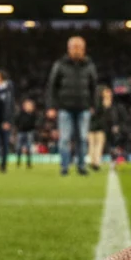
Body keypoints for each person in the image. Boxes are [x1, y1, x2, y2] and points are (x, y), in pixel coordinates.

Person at [46, 36, 98, 176]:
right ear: (69, 48)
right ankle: (64, 167)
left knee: (82, 138)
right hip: (65, 108)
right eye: (74, 47)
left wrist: (93, 105)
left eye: (79, 47)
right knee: (64, 139)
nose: (77, 50)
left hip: (84, 108)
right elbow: (52, 87)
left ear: (84, 49)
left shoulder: (89, 66)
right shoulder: (60, 65)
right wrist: (51, 106)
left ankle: (81, 166)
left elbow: (94, 87)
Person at [88, 86, 121, 171]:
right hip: (100, 125)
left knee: (92, 144)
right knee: (99, 144)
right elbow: (108, 115)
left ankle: (92, 161)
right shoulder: (106, 101)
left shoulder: (91, 101)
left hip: (91, 125)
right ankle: (96, 162)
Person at [15, 99, 39, 169]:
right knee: (19, 147)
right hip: (21, 132)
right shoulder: (20, 113)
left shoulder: (33, 114)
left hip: (29, 132)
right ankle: (18, 162)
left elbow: (35, 123)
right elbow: (16, 121)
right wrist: (19, 127)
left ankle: (28, 163)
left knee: (28, 148)